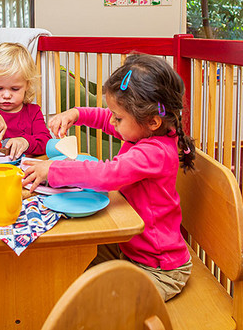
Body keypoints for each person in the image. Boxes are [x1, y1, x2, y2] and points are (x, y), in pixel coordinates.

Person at [22, 54, 195, 301]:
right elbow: (105, 119)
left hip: (159, 269)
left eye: (119, 117)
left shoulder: (154, 152)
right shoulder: (143, 130)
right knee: (72, 259)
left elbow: (107, 174)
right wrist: (77, 113)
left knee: (106, 307)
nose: (112, 120)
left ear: (153, 121)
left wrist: (53, 170)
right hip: (131, 248)